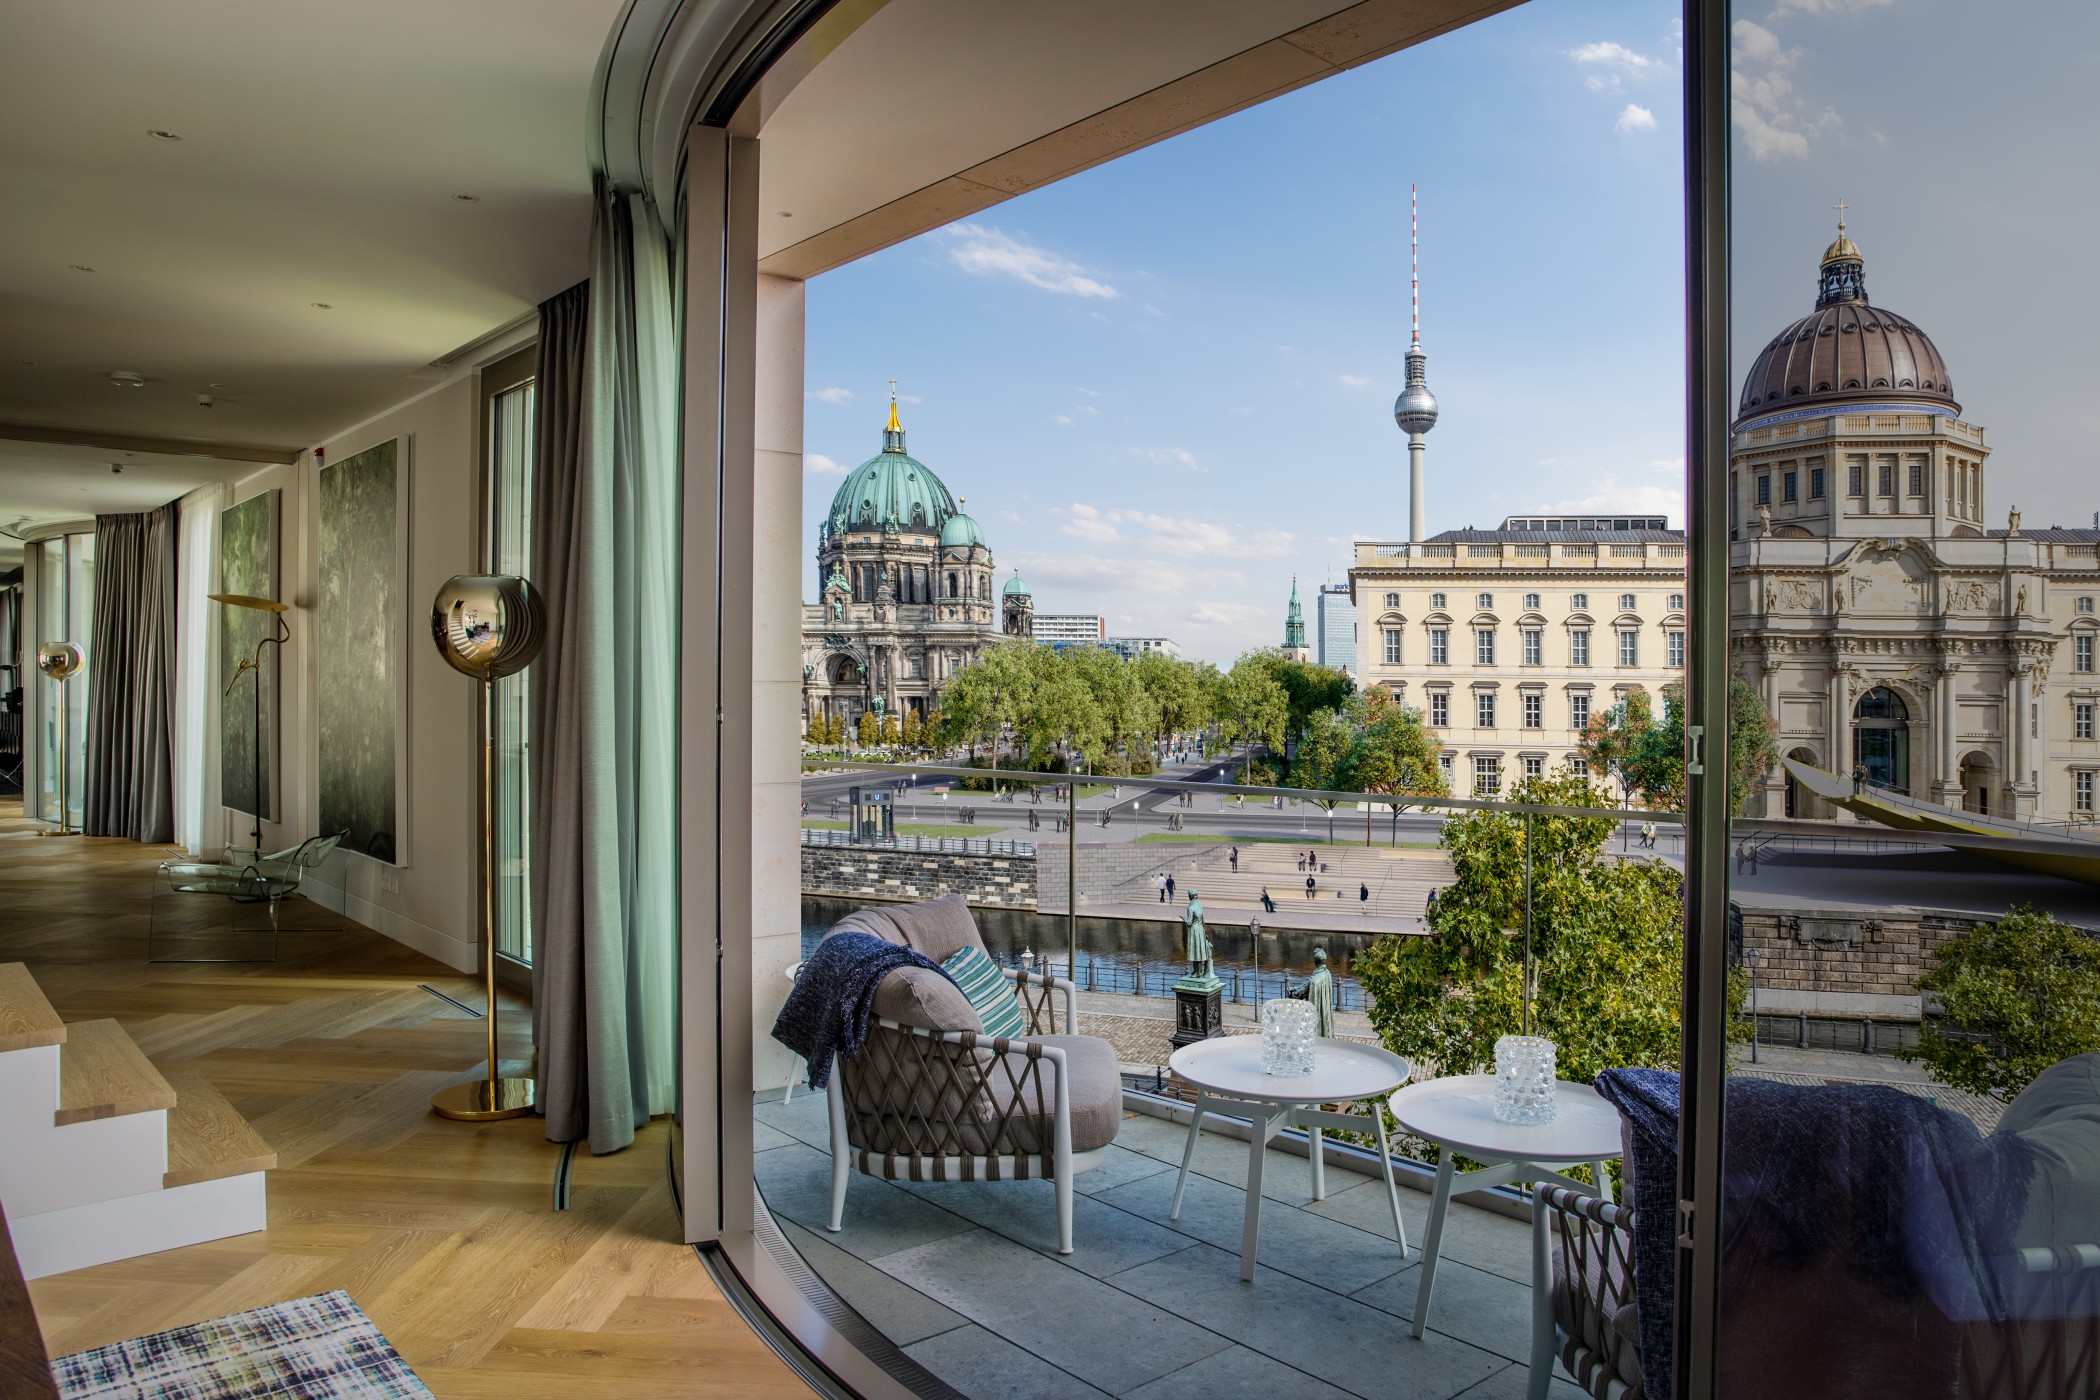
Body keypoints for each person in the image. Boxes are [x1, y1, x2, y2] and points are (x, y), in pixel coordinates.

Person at [1182, 890, 1210, 979]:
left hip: (1194, 930)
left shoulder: (1191, 908)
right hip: (1200, 929)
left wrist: (1183, 919)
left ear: (1190, 896)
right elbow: (1203, 920)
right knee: (1198, 951)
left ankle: (1198, 973)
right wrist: (1205, 931)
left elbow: (1189, 922)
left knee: (1195, 950)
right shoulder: (1199, 905)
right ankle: (1197, 971)